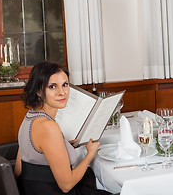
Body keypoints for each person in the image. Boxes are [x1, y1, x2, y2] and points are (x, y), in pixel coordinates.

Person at [14, 61, 110, 194]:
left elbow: (19, 170)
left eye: (65, 85)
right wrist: (90, 154)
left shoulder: (30, 117)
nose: (62, 92)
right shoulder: (48, 127)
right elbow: (66, 185)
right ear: (38, 91)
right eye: (52, 87)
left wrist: (61, 146)